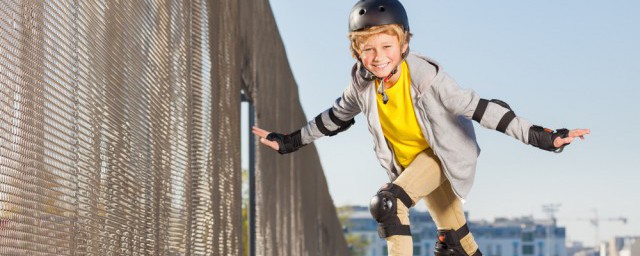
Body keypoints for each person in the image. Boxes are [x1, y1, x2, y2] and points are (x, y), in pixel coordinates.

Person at [252, 0, 590, 255]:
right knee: (457, 241)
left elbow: (481, 109)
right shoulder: (361, 84)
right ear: (356, 51)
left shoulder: (428, 78)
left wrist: (543, 137)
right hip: (412, 165)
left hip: (443, 155)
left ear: (403, 44)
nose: (378, 56)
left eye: (386, 46)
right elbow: (335, 117)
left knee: (388, 203)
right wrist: (290, 141)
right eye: (367, 49)